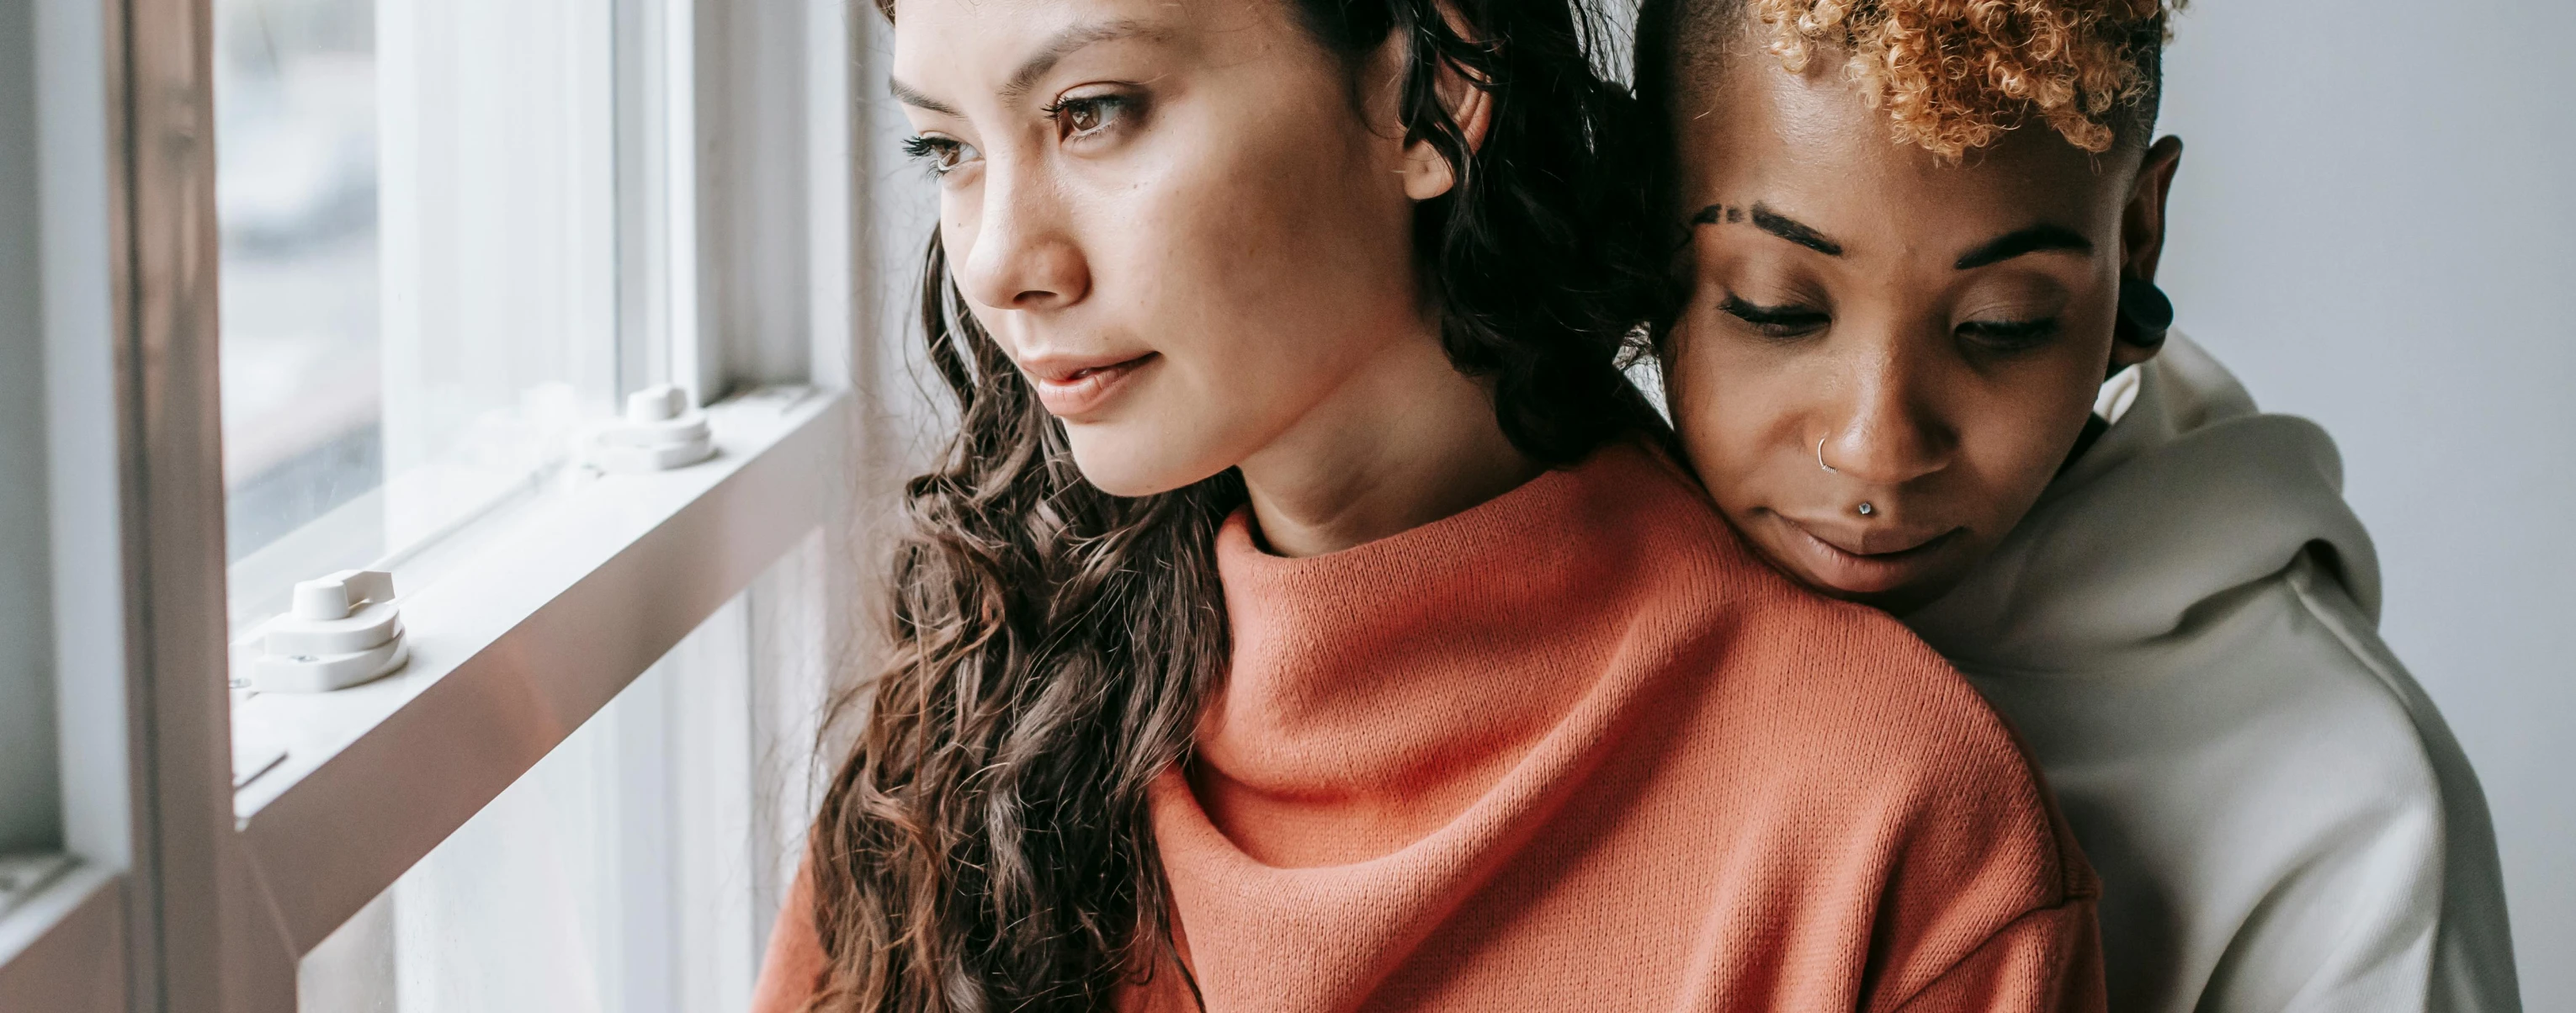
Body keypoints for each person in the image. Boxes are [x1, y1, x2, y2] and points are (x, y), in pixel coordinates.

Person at [750, 0, 2110, 1010]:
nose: (999, 262)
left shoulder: (1892, 820)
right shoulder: (983, 694)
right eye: (946, 146)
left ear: (1434, 87)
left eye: (1094, 111)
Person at [1633, 2, 2520, 1010]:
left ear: (2136, 241)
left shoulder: (2356, 817)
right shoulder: (1538, 576)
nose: (1877, 449)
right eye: (1775, 309)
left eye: (2001, 326)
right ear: (1633, 213)